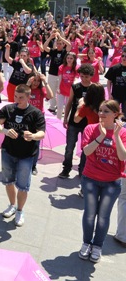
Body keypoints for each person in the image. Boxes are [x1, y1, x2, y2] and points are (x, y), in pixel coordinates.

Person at [78, 100, 126, 263]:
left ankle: (97, 246)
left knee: (104, 216)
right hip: (90, 178)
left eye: (106, 111)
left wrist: (117, 136)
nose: (101, 114)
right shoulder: (90, 128)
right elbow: (86, 151)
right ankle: (86, 243)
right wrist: (101, 136)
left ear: (115, 114)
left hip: (112, 182)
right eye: (100, 110)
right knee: (90, 214)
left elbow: (122, 157)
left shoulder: (123, 133)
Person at [0, 84, 46, 227]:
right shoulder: (8, 109)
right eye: (16, 96)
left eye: (21, 97)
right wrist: (4, 131)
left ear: (29, 97)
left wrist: (33, 136)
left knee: (23, 185)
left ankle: (20, 210)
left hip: (26, 155)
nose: (17, 99)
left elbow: (42, 133)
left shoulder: (36, 113)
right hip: (8, 151)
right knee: (8, 181)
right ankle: (12, 205)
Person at [61, 63, 95, 179]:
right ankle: (66, 169)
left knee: (85, 149)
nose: (84, 79)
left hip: (88, 124)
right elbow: (70, 102)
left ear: (91, 76)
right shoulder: (75, 87)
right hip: (73, 122)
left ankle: (82, 170)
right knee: (69, 147)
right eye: (82, 76)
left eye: (87, 77)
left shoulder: (94, 88)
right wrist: (65, 118)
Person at [56, 52, 78, 120]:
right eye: (68, 58)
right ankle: (58, 120)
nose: (69, 60)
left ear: (74, 59)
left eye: (71, 58)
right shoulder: (61, 67)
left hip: (70, 91)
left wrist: (73, 88)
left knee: (67, 108)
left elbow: (76, 79)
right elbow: (59, 78)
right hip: (62, 89)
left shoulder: (76, 68)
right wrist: (58, 88)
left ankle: (66, 120)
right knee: (59, 108)